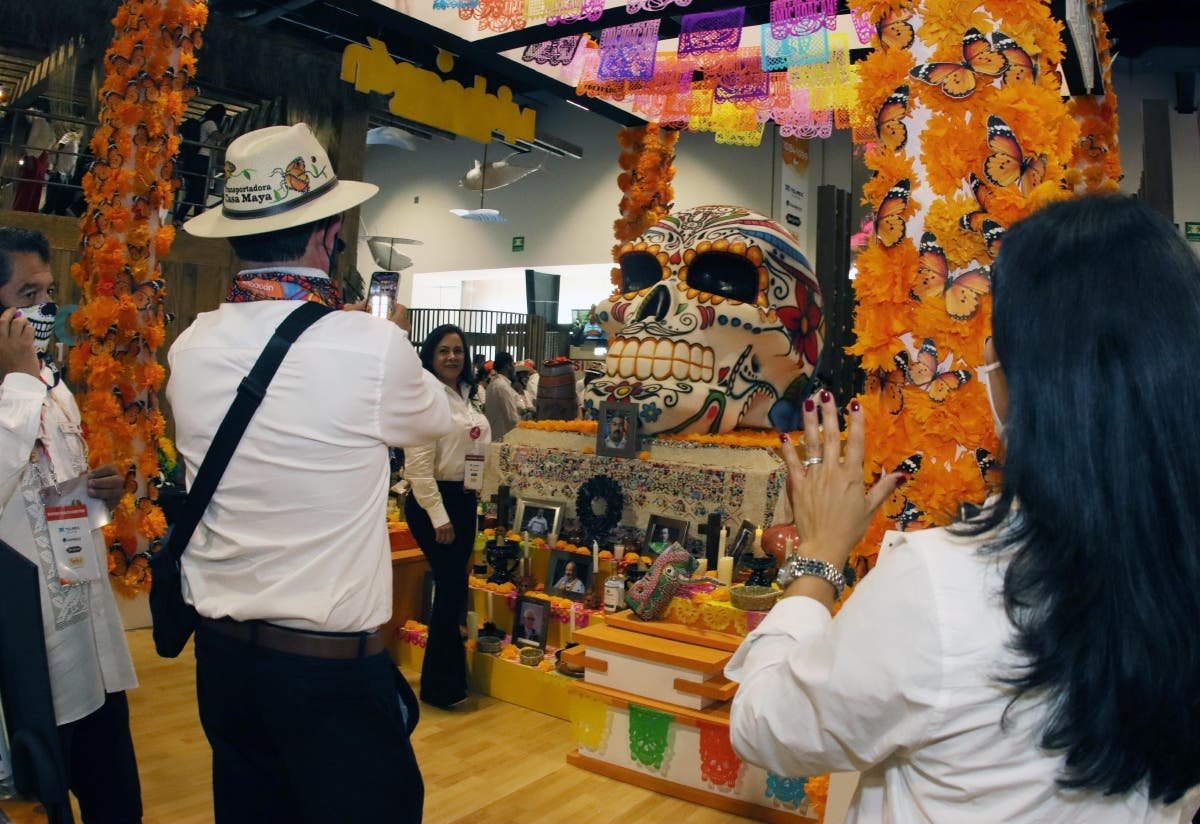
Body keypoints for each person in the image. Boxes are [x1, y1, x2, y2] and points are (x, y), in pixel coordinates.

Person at [726, 197, 1200, 822]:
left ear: (1020, 378)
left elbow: (766, 726)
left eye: (994, 341)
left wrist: (816, 560)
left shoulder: (945, 586)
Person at [169, 123, 451, 824]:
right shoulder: (370, 346)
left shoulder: (190, 345)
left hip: (223, 662)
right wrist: (387, 335)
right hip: (327, 670)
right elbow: (437, 421)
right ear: (329, 235)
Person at [0, 227, 142, 822]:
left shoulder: (54, 387)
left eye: (49, 293)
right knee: (47, 799)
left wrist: (97, 489)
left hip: (89, 629)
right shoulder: (23, 387)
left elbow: (55, 491)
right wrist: (17, 381)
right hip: (30, 648)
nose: (44, 309)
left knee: (118, 802)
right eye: (28, 295)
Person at [404, 323, 490, 710]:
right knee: (451, 586)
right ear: (430, 356)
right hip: (433, 503)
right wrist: (439, 517)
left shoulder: (469, 394)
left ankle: (449, 680)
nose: (452, 357)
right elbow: (418, 470)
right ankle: (440, 687)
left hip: (464, 498)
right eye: (443, 350)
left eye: (458, 350)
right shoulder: (426, 396)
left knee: (455, 587)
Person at [484, 350, 522, 440]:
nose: (514, 368)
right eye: (513, 364)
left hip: (495, 435)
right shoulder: (502, 386)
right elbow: (512, 419)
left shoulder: (495, 384)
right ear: (508, 366)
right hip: (502, 436)